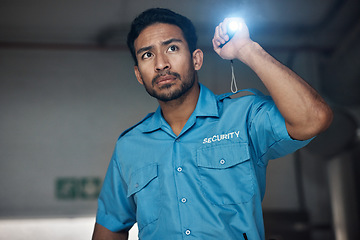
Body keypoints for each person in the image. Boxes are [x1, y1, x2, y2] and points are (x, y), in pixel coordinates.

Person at [92, 8, 333, 240]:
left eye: (172, 48)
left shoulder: (243, 116)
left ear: (196, 59)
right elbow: (110, 227)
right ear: (138, 74)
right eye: (147, 55)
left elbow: (314, 119)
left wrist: (247, 49)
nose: (161, 63)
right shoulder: (129, 145)